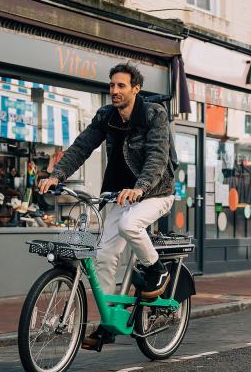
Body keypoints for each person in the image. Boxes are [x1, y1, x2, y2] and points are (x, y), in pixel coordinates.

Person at [38, 62, 177, 349]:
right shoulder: (106, 115)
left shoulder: (154, 114)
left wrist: (140, 187)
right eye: (112, 85)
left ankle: (156, 270)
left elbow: (157, 157)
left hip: (156, 193)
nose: (114, 90)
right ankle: (109, 319)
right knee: (103, 255)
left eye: (121, 85)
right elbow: (81, 146)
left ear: (135, 89)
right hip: (118, 196)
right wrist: (56, 175)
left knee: (130, 225)